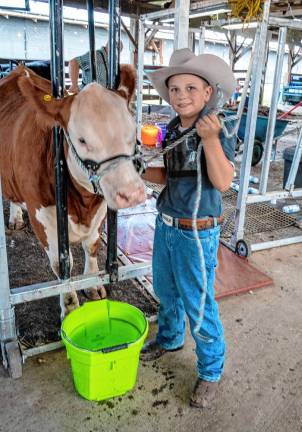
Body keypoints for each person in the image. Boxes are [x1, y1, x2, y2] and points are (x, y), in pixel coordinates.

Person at [141, 48, 236, 409]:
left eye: (191, 88)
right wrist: (135, 168)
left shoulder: (216, 127)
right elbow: (167, 176)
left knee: (199, 305)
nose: (181, 95)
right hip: (166, 224)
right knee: (166, 290)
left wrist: (210, 141)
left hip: (196, 232)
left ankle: (211, 371)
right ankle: (169, 339)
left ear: (208, 92)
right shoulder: (171, 130)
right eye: (175, 89)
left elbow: (223, 181)